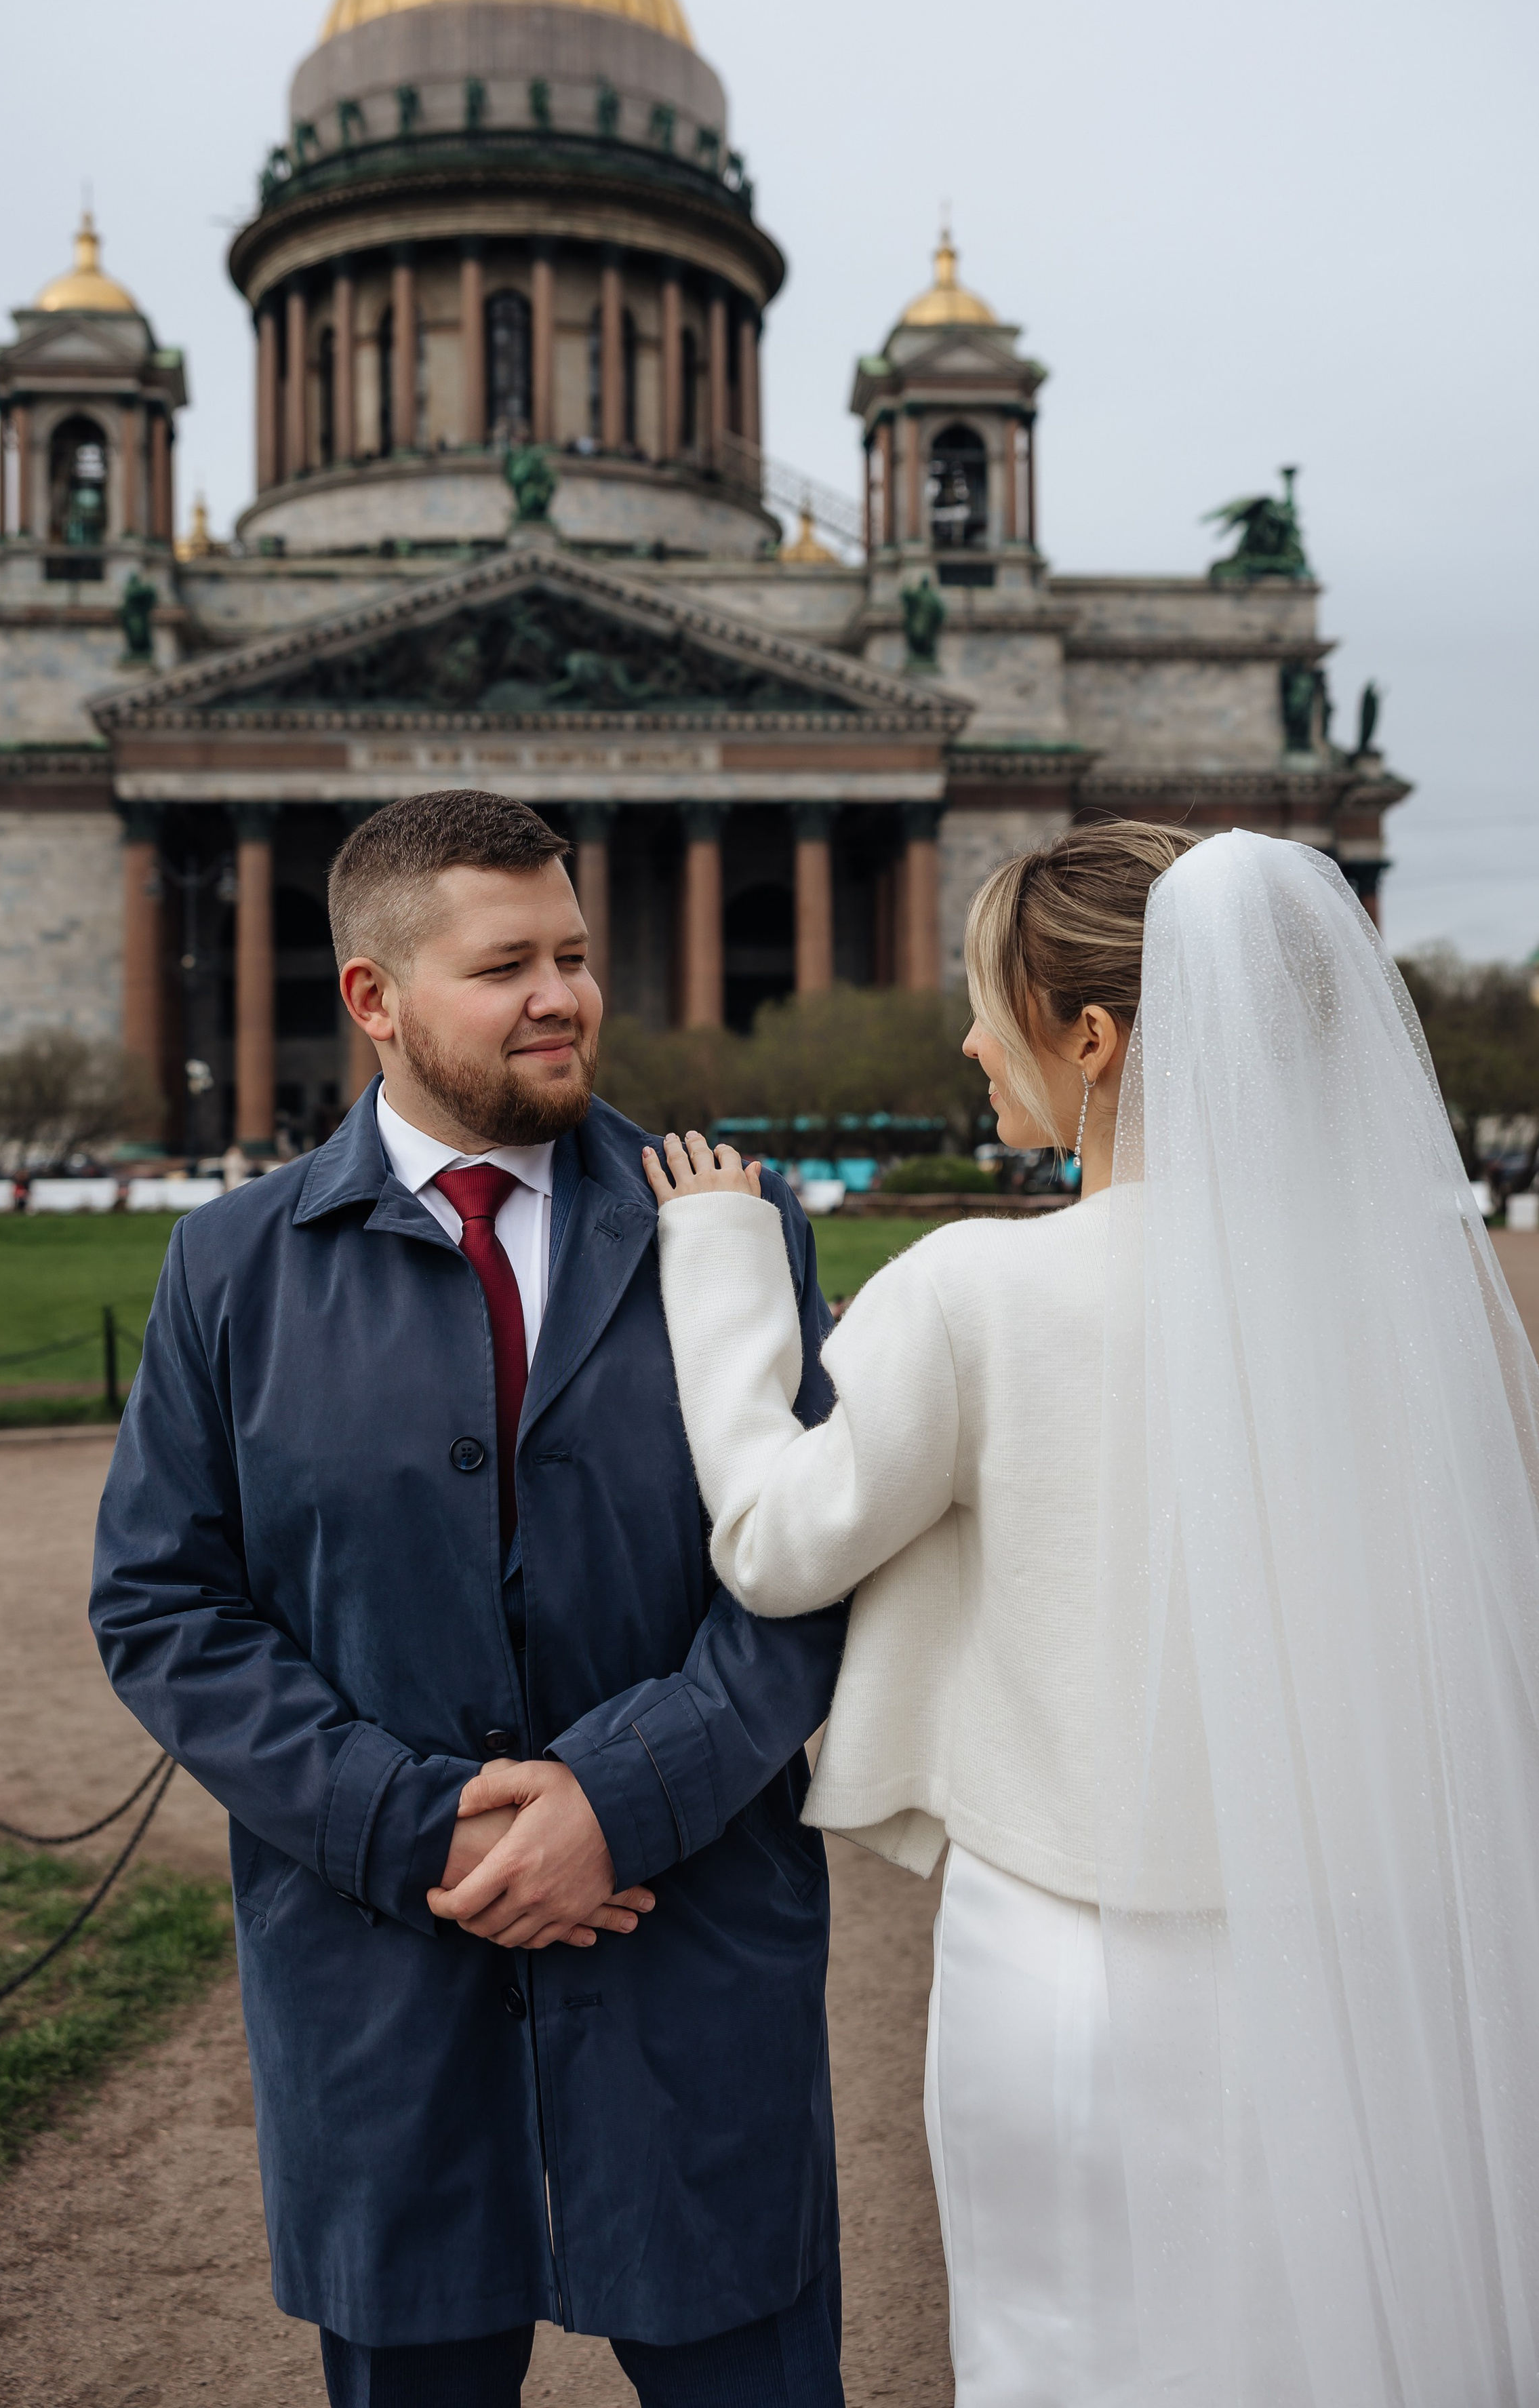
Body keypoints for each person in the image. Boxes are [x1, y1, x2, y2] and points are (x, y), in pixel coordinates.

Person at [647, 821, 1539, 2408]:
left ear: (1095, 1039)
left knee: (1072, 2348)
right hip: (1366, 1931)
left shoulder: (979, 1288)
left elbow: (779, 1544)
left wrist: (719, 1274)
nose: (969, 1041)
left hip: (1071, 1948)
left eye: (989, 1002)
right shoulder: (1404, 1291)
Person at [90, 791, 849, 2408]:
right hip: (384, 1978)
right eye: (506, 965)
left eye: (571, 954)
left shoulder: (731, 1226)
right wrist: (418, 1824)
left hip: (689, 1955)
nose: (563, 994)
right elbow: (163, 1605)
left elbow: (805, 1577)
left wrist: (616, 1804)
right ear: (373, 999)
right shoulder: (229, 1266)